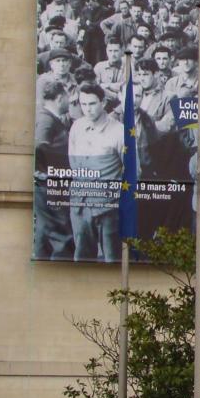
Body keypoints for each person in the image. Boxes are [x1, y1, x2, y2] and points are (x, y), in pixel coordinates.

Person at [68, 83, 124, 263]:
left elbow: (132, 171)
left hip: (108, 208)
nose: (87, 109)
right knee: (82, 258)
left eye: (92, 104)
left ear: (103, 102)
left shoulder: (119, 131)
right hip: (80, 205)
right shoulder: (76, 126)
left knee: (112, 260)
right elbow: (73, 162)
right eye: (83, 104)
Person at [33, 79, 73, 260]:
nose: (69, 100)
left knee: (45, 231)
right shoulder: (46, 121)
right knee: (61, 232)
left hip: (47, 185)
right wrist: (47, 173)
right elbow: (40, 146)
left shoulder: (49, 118)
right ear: (59, 98)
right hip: (50, 186)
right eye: (67, 96)